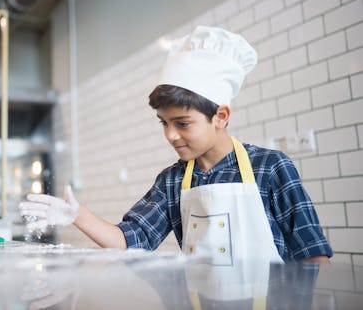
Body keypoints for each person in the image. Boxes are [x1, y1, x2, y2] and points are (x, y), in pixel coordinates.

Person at [19, 26, 333, 264]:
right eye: (163, 123)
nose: (170, 135)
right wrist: (77, 215)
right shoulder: (172, 181)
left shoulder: (271, 167)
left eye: (182, 123)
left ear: (220, 116)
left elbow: (313, 255)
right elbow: (131, 240)